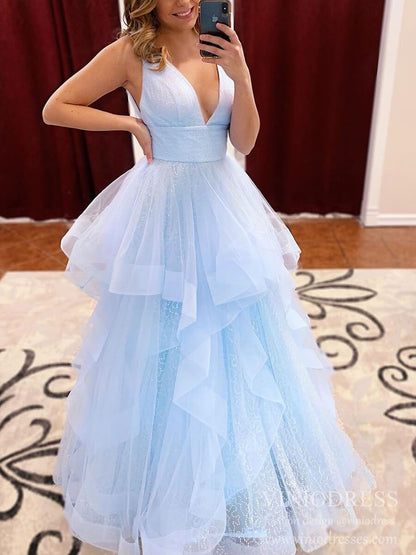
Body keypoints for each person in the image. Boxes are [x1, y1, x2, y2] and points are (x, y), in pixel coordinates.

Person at [42, 1, 376, 554]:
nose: (187, 2)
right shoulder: (131, 53)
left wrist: (242, 76)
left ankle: (247, 480)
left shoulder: (220, 47)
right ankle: (163, 483)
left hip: (224, 204)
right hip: (165, 209)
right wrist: (128, 122)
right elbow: (57, 108)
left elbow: (244, 142)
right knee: (166, 339)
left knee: (246, 339)